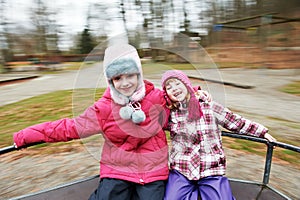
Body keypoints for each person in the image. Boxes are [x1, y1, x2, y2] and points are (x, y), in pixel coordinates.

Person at [13, 44, 171, 200]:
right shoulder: (104, 109)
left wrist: (194, 94)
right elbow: (69, 128)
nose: (125, 83)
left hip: (153, 172)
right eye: (118, 78)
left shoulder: (157, 98)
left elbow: (184, 104)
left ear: (139, 74)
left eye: (130, 75)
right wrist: (25, 136)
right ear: (111, 81)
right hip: (118, 170)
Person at [161, 70, 276, 200]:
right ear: (167, 94)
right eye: (169, 88)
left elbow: (235, 121)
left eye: (177, 83)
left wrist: (261, 132)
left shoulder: (209, 107)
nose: (174, 89)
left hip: (210, 168)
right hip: (182, 169)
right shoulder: (170, 113)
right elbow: (153, 110)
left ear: (186, 84)